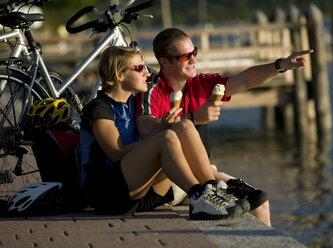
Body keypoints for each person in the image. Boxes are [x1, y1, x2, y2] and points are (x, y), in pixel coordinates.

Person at [135, 28, 313, 226]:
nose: (194, 60)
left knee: (259, 203)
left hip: (200, 174)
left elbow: (245, 79)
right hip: (168, 180)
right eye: (186, 57)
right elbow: (144, 127)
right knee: (235, 203)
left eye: (194, 52)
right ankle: (210, 189)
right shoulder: (152, 89)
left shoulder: (200, 84)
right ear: (165, 62)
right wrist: (193, 117)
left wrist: (281, 65)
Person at [79, 46, 249, 220]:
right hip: (107, 195)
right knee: (167, 136)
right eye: (139, 68)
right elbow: (115, 153)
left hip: (141, 193)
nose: (146, 73)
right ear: (119, 75)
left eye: (145, 67)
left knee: (184, 126)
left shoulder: (134, 104)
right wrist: (160, 135)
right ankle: (198, 196)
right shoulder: (99, 108)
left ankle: (212, 188)